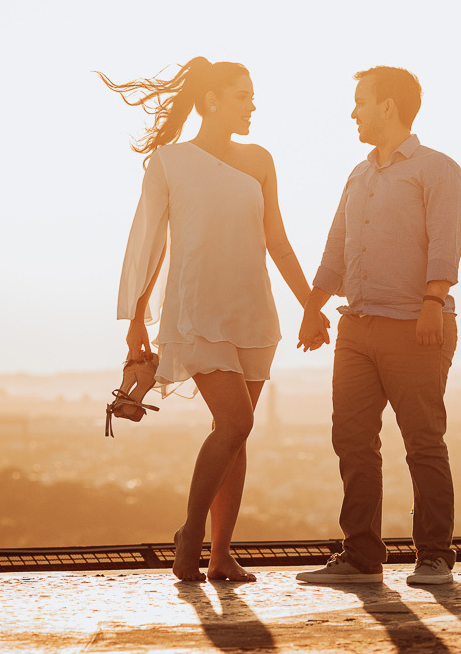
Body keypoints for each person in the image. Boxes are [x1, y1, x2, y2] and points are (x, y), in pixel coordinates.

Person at [100, 57, 326, 582]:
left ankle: (222, 554)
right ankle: (190, 537)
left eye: (252, 95)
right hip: (195, 311)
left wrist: (311, 307)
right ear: (212, 100)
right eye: (243, 94)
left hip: (253, 311)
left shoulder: (261, 160)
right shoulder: (169, 162)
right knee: (237, 421)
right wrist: (137, 319)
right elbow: (149, 245)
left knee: (234, 433)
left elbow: (278, 241)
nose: (252, 104)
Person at [296, 66, 461, 586]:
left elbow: (445, 240)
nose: (353, 112)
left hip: (416, 326)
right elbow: (335, 249)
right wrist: (312, 306)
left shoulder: (437, 170)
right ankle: (362, 556)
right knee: (351, 440)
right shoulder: (358, 174)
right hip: (357, 329)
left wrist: (434, 301)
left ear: (389, 106)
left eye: (361, 102)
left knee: (423, 442)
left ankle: (435, 555)